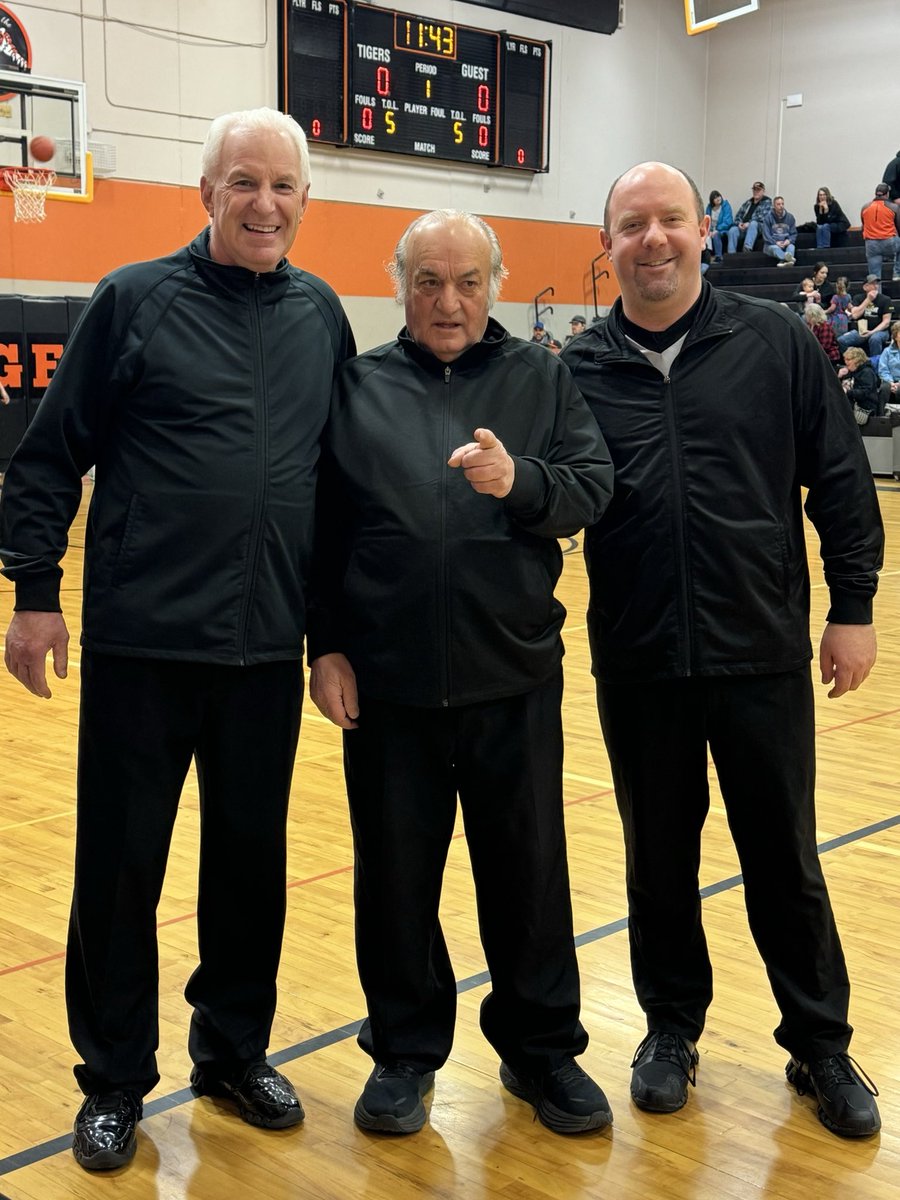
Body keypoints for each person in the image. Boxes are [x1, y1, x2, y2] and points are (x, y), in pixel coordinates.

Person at [0, 107, 355, 1171]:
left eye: (283, 185)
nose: (264, 203)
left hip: (263, 653)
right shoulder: (133, 301)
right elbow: (49, 456)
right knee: (121, 872)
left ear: (304, 200)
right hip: (142, 647)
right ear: (206, 195)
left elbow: (337, 492)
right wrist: (32, 591)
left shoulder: (322, 316)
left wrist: (331, 635)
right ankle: (112, 1081)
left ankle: (232, 1053)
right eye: (243, 182)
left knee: (249, 868)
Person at [562, 161, 884, 1140]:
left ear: (705, 231)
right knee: (658, 860)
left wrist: (853, 606)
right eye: (631, 224)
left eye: (670, 220)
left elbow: (837, 480)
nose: (652, 239)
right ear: (607, 243)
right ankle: (669, 1029)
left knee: (783, 858)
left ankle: (820, 1045)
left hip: (761, 653)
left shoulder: (778, 344)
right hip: (640, 657)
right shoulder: (572, 370)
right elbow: (539, 507)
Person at [307, 209, 614, 1138]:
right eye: (430, 281)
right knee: (395, 881)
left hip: (512, 675)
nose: (449, 300)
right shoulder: (356, 385)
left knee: (528, 875)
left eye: (468, 281)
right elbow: (322, 534)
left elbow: (591, 487)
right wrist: (324, 648)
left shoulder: (542, 378)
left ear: (496, 284)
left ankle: (541, 1052)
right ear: (401, 284)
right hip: (389, 688)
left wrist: (519, 481)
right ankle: (404, 1052)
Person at [838, 274, 894, 357]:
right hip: (861, 330)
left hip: (880, 331)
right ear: (865, 287)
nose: (875, 286)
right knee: (841, 340)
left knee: (874, 339)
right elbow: (855, 316)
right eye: (872, 284)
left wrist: (871, 332)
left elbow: (886, 322)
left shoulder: (886, 299)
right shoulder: (858, 298)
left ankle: (875, 366)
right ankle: (854, 363)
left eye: (877, 284)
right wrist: (868, 300)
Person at [860, 183, 900, 282]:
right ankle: (897, 272)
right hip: (889, 242)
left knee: (874, 276)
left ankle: (876, 294)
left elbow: (863, 225)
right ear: (887, 194)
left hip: (871, 244)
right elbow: (899, 226)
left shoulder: (865, 207)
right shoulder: (894, 207)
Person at [726, 181, 771, 253]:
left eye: (758, 190)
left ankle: (747, 249)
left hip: (758, 227)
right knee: (732, 230)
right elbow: (738, 216)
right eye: (754, 190)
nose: (756, 192)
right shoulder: (748, 203)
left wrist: (748, 223)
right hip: (744, 227)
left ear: (763, 191)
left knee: (753, 223)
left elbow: (764, 218)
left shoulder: (767, 202)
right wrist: (739, 224)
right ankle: (731, 254)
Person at [838, 346, 880, 423]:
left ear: (857, 360)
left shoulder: (867, 373)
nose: (845, 362)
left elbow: (864, 393)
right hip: (851, 403)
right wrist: (839, 377)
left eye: (848, 359)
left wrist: (847, 392)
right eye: (845, 359)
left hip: (864, 407)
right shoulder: (849, 371)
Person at [761, 195, 797, 266]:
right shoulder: (767, 218)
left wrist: (789, 241)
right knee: (775, 248)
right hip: (771, 244)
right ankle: (788, 259)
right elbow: (766, 235)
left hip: (785, 244)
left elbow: (794, 234)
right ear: (774, 206)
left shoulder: (790, 217)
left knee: (792, 247)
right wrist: (776, 242)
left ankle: (783, 262)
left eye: (782, 204)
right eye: (778, 204)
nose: (781, 206)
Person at [705, 190, 733, 260]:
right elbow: (707, 220)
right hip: (712, 229)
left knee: (716, 235)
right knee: (705, 236)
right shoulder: (709, 208)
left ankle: (718, 256)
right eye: (715, 198)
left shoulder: (726, 205)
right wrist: (709, 231)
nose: (718, 199)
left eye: (718, 196)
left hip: (723, 229)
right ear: (712, 201)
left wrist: (717, 229)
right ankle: (706, 258)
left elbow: (728, 222)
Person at [877, 319, 900, 399]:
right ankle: (880, 411)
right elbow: (883, 370)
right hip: (890, 381)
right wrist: (891, 382)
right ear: (895, 336)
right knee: (884, 388)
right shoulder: (887, 351)